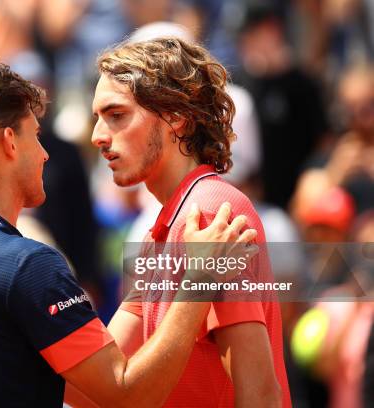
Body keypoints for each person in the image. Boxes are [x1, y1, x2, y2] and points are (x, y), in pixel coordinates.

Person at [0, 60, 257, 407]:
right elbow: (127, 395)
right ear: (8, 142)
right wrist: (199, 280)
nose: (44, 153)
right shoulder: (30, 266)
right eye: (35, 135)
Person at [91, 37, 291, 407]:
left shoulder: (214, 212)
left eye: (116, 115)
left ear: (175, 118)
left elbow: (260, 395)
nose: (98, 137)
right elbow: (104, 383)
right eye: (98, 118)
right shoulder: (164, 229)